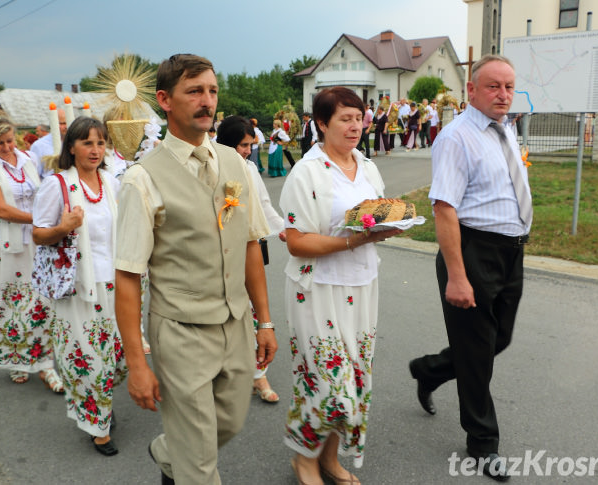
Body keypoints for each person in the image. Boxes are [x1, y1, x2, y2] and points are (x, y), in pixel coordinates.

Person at [114, 53, 277, 484]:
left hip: (235, 323)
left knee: (231, 422)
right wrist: (137, 364)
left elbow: (249, 245)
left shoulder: (235, 163)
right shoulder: (141, 179)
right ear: (165, 100)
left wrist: (265, 320)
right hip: (181, 330)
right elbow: (128, 277)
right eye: (195, 91)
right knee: (201, 466)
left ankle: (169, 450)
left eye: (212, 91)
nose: (207, 101)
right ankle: (185, 460)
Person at [409, 54, 532, 482]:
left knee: (498, 338)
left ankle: (431, 369)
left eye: (509, 87)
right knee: (478, 351)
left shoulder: (505, 130)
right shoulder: (456, 137)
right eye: (494, 86)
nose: (503, 94)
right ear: (472, 90)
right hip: (473, 250)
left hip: (511, 251)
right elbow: (444, 209)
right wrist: (458, 276)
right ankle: (482, 443)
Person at [280, 86, 403, 485]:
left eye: (359, 117)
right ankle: (304, 458)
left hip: (362, 285)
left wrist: (388, 225)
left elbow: (377, 213)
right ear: (321, 123)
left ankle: (329, 460)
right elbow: (297, 242)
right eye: (345, 119)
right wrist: (354, 239)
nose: (355, 126)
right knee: (328, 383)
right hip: (317, 290)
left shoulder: (366, 166)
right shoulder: (307, 172)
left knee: (355, 378)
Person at [32, 116, 127, 456]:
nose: (95, 150)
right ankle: (97, 425)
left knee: (116, 356)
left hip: (115, 285)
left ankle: (99, 402)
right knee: (89, 358)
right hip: (77, 286)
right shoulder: (57, 184)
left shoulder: (111, 181)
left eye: (101, 142)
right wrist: (64, 226)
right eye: (87, 142)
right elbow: (38, 234)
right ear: (71, 147)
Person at [0, 109, 63, 391]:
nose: (7, 148)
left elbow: (43, 191)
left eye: (10, 141)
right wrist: (42, 219)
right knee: (7, 301)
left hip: (32, 240)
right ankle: (16, 359)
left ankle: (44, 363)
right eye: (0, 144)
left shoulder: (28, 158)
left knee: (39, 301)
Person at [217, 115, 285, 404]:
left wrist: (284, 230)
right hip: (218, 257)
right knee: (223, 316)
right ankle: (225, 373)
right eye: (243, 145)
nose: (247, 150)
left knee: (255, 311)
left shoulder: (250, 168)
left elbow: (264, 204)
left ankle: (259, 375)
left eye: (249, 145)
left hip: (249, 251)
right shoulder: (211, 168)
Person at [30, 108, 68, 178]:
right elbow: (35, 175)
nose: (66, 127)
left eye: (67, 122)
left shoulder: (75, 143)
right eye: (62, 123)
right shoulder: (39, 146)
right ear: (53, 124)